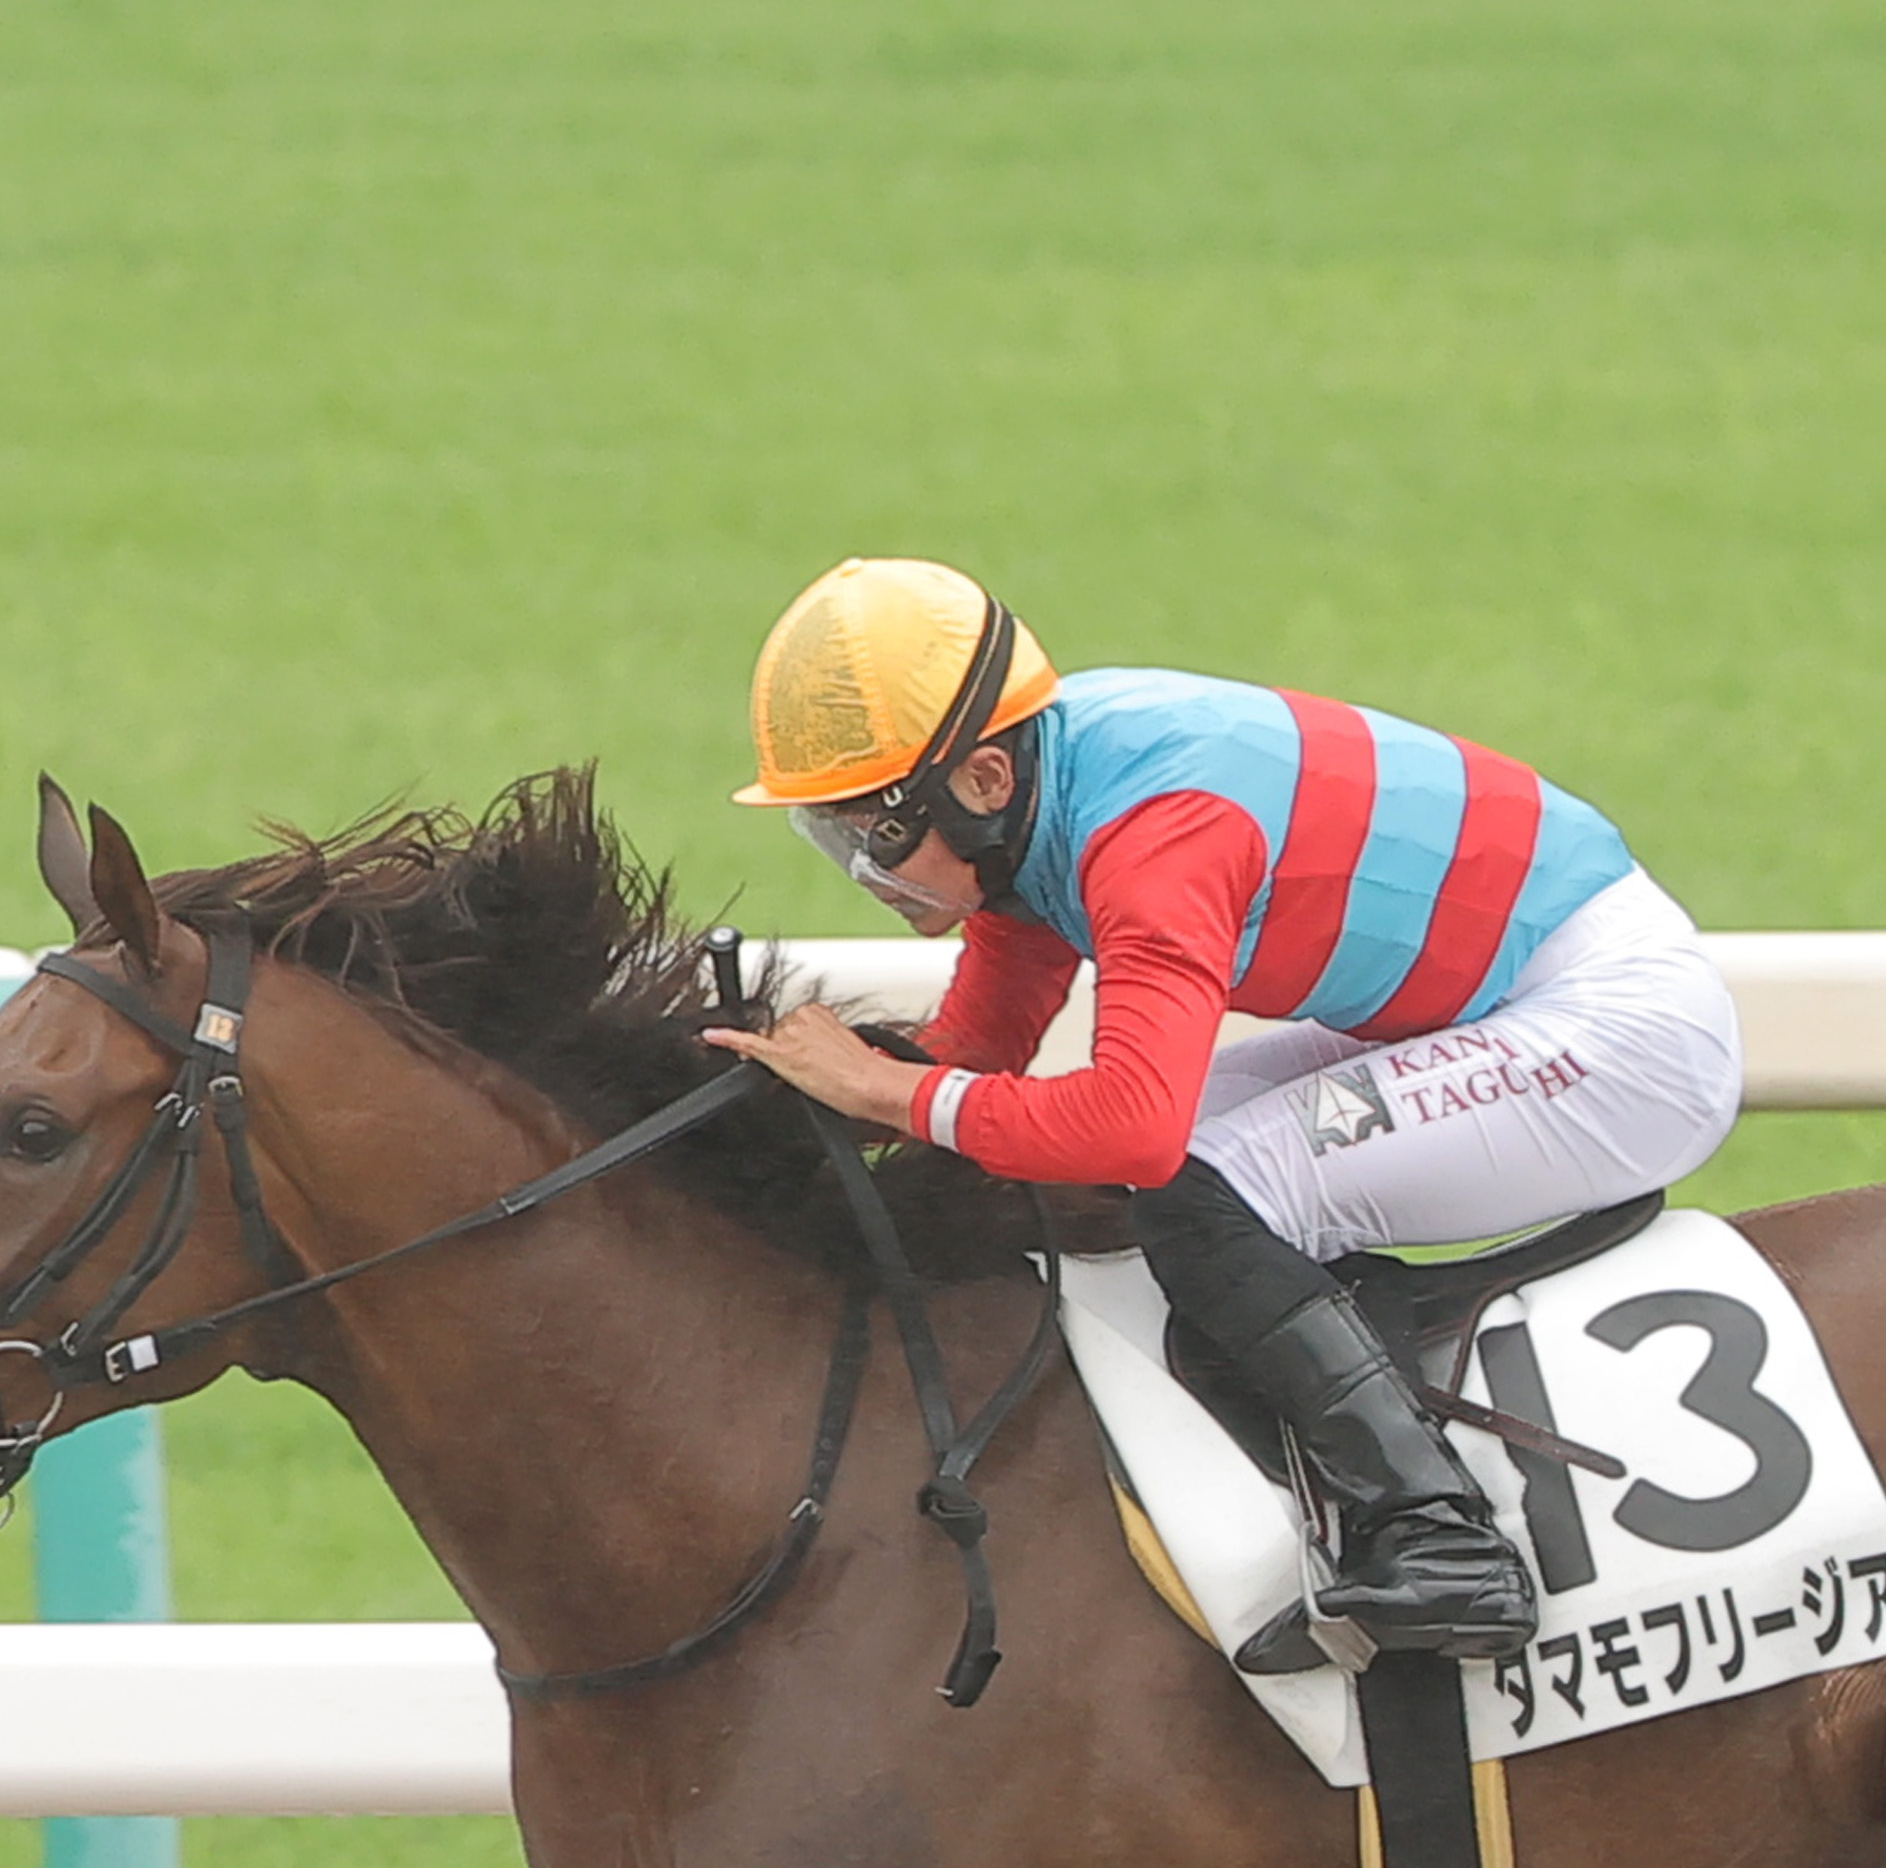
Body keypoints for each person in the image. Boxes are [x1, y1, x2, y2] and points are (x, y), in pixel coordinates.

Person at [700, 558, 1743, 1667]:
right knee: (1137, 1176)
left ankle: (1444, 1542)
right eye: (832, 837)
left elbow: (1133, 1127)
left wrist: (883, 1088)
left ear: (985, 778)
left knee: (1201, 1187)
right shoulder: (1032, 807)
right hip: (1495, 998)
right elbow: (979, 1056)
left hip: (1619, 1035)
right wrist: (782, 1108)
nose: (866, 874)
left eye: (874, 835)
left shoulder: (1155, 833)